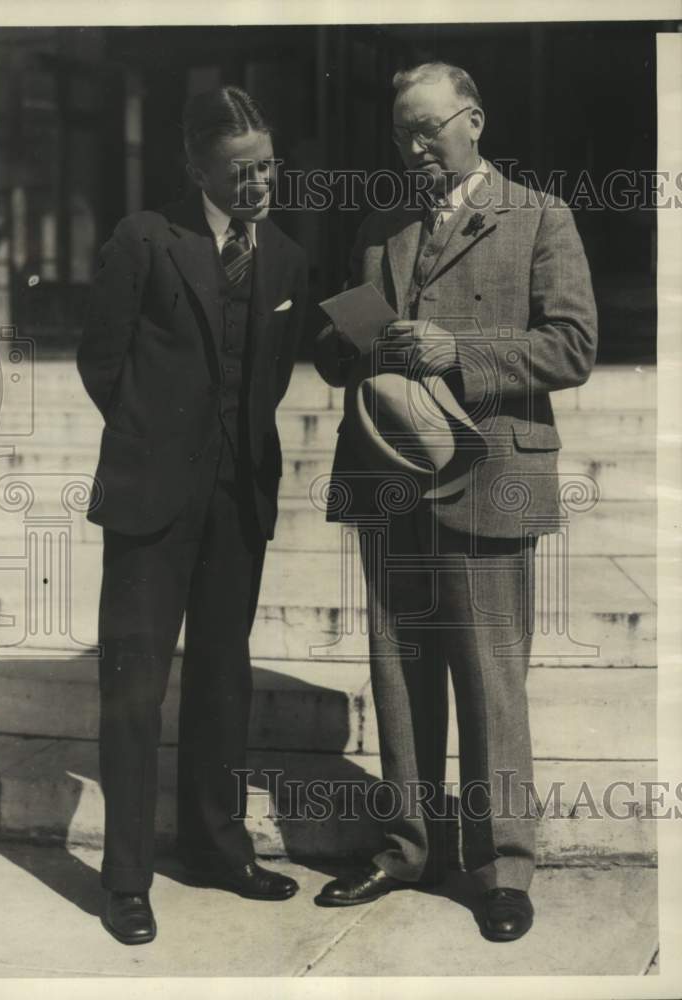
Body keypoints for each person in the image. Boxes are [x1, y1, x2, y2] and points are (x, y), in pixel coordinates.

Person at [313, 61, 597, 941]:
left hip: (490, 471)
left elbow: (574, 345)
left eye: (429, 128)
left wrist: (458, 351)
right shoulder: (380, 223)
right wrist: (351, 341)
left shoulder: (541, 216)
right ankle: (405, 846)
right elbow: (334, 351)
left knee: (489, 677)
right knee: (397, 673)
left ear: (473, 121)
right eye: (403, 131)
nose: (415, 145)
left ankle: (501, 867)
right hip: (391, 470)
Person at [77, 85, 308, 945]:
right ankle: (126, 878)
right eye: (241, 171)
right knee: (134, 688)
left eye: (269, 166)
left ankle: (216, 846)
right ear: (197, 168)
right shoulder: (146, 238)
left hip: (238, 499)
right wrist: (156, 440)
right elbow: (102, 359)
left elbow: (275, 373)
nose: (259, 184)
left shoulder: (283, 256)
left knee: (224, 675)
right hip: (151, 497)